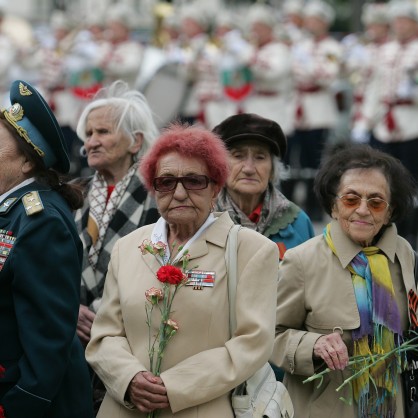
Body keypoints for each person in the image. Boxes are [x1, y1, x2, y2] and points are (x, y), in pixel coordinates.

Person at [85, 123, 280, 417]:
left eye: (193, 181)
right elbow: (105, 335)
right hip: (125, 407)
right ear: (153, 189)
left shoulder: (252, 250)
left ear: (216, 187)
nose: (178, 193)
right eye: (165, 182)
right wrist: (130, 379)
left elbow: (252, 343)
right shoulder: (127, 248)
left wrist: (173, 387)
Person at [272, 144, 417, 418]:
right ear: (333, 206)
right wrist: (312, 345)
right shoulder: (302, 260)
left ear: (389, 212)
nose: (363, 210)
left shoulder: (404, 255)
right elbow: (271, 335)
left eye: (376, 202)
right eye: (351, 199)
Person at [0, 80, 94, 417]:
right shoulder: (12, 210)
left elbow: (49, 336)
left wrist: (19, 405)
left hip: (28, 400)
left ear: (26, 163)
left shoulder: (40, 220)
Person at [73, 80, 160, 411]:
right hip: (77, 340)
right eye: (89, 134)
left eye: (103, 132)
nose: (91, 142)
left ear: (135, 141)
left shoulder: (160, 195)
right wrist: (69, 309)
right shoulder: (73, 194)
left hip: (134, 342)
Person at [214, 113, 315, 261]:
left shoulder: (297, 222)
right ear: (220, 166)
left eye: (260, 157)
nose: (249, 168)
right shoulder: (203, 218)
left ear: (273, 170)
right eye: (238, 156)